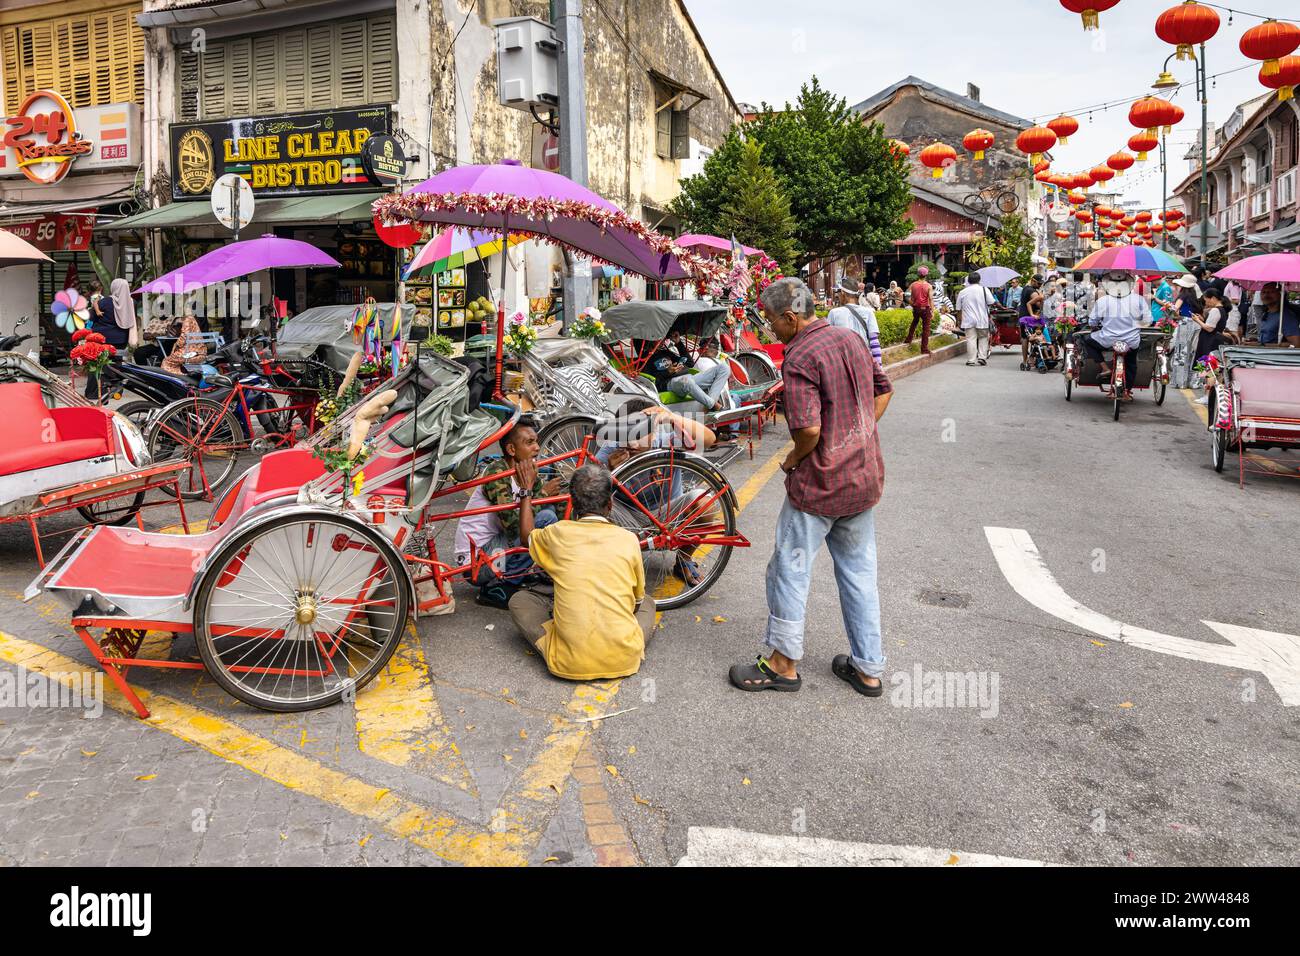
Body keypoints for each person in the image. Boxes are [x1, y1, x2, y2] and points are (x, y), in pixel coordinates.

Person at [728, 277, 893, 698]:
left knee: (790, 569)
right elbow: (883, 391)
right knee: (859, 574)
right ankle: (868, 668)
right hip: (863, 477)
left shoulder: (800, 355)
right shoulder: (849, 338)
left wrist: (792, 459)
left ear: (790, 317)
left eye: (770, 322)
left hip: (820, 486)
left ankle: (783, 664)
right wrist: (856, 435)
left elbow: (808, 430)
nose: (769, 330)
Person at [508, 464, 655, 681]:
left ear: (573, 503)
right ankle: (617, 643)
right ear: (610, 504)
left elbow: (526, 535)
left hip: (568, 664)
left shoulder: (557, 533)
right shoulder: (629, 539)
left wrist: (526, 491)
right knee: (649, 603)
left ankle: (566, 638)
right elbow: (637, 603)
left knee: (519, 600)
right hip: (624, 660)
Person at [454, 420, 563, 608]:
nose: (537, 448)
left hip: (497, 549)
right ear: (512, 449)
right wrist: (542, 493)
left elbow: (539, 504)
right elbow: (514, 527)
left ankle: (520, 573)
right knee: (546, 518)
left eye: (536, 441)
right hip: (476, 564)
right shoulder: (498, 473)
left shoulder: (527, 469)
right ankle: (501, 585)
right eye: (529, 443)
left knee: (550, 511)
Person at [1085, 272, 1146, 401]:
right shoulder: (1138, 300)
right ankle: (1127, 391)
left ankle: (1105, 368)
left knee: (1088, 341)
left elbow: (1092, 322)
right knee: (1131, 362)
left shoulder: (1103, 301)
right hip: (1131, 341)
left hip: (1107, 340)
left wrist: (1096, 325)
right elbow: (1148, 320)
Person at [83, 277, 134, 399]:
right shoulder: (131, 302)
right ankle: (116, 391)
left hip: (103, 340)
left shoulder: (104, 302)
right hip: (121, 340)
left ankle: (94, 392)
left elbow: (91, 318)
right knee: (116, 364)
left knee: (97, 364)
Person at [827, 278, 883, 364]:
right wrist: (879, 367)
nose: (837, 295)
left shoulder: (834, 313)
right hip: (864, 363)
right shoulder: (869, 312)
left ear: (843, 293)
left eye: (838, 292)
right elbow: (874, 343)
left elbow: (829, 344)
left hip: (843, 365)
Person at [956, 273, 996, 367]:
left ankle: (971, 360)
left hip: (968, 320)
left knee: (971, 339)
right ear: (979, 280)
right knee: (983, 338)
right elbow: (991, 302)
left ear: (968, 281)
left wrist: (958, 320)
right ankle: (982, 358)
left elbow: (958, 309)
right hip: (982, 319)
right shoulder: (984, 289)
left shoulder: (963, 292)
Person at [1017, 275, 1044, 371]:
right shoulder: (1031, 291)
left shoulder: (1025, 289)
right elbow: (1038, 303)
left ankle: (1026, 361)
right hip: (1030, 318)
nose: (1040, 285)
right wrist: (1042, 298)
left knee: (1025, 338)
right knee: (1031, 337)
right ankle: (1029, 360)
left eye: (1041, 283)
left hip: (1024, 317)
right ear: (1033, 281)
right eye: (1039, 283)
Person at [905, 267, 934, 355]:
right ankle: (924, 349)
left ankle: (908, 340)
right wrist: (933, 310)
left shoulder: (913, 284)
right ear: (926, 275)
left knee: (914, 323)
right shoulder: (929, 286)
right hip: (925, 309)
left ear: (918, 274)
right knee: (926, 329)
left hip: (916, 308)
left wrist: (912, 304)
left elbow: (906, 295)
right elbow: (931, 299)